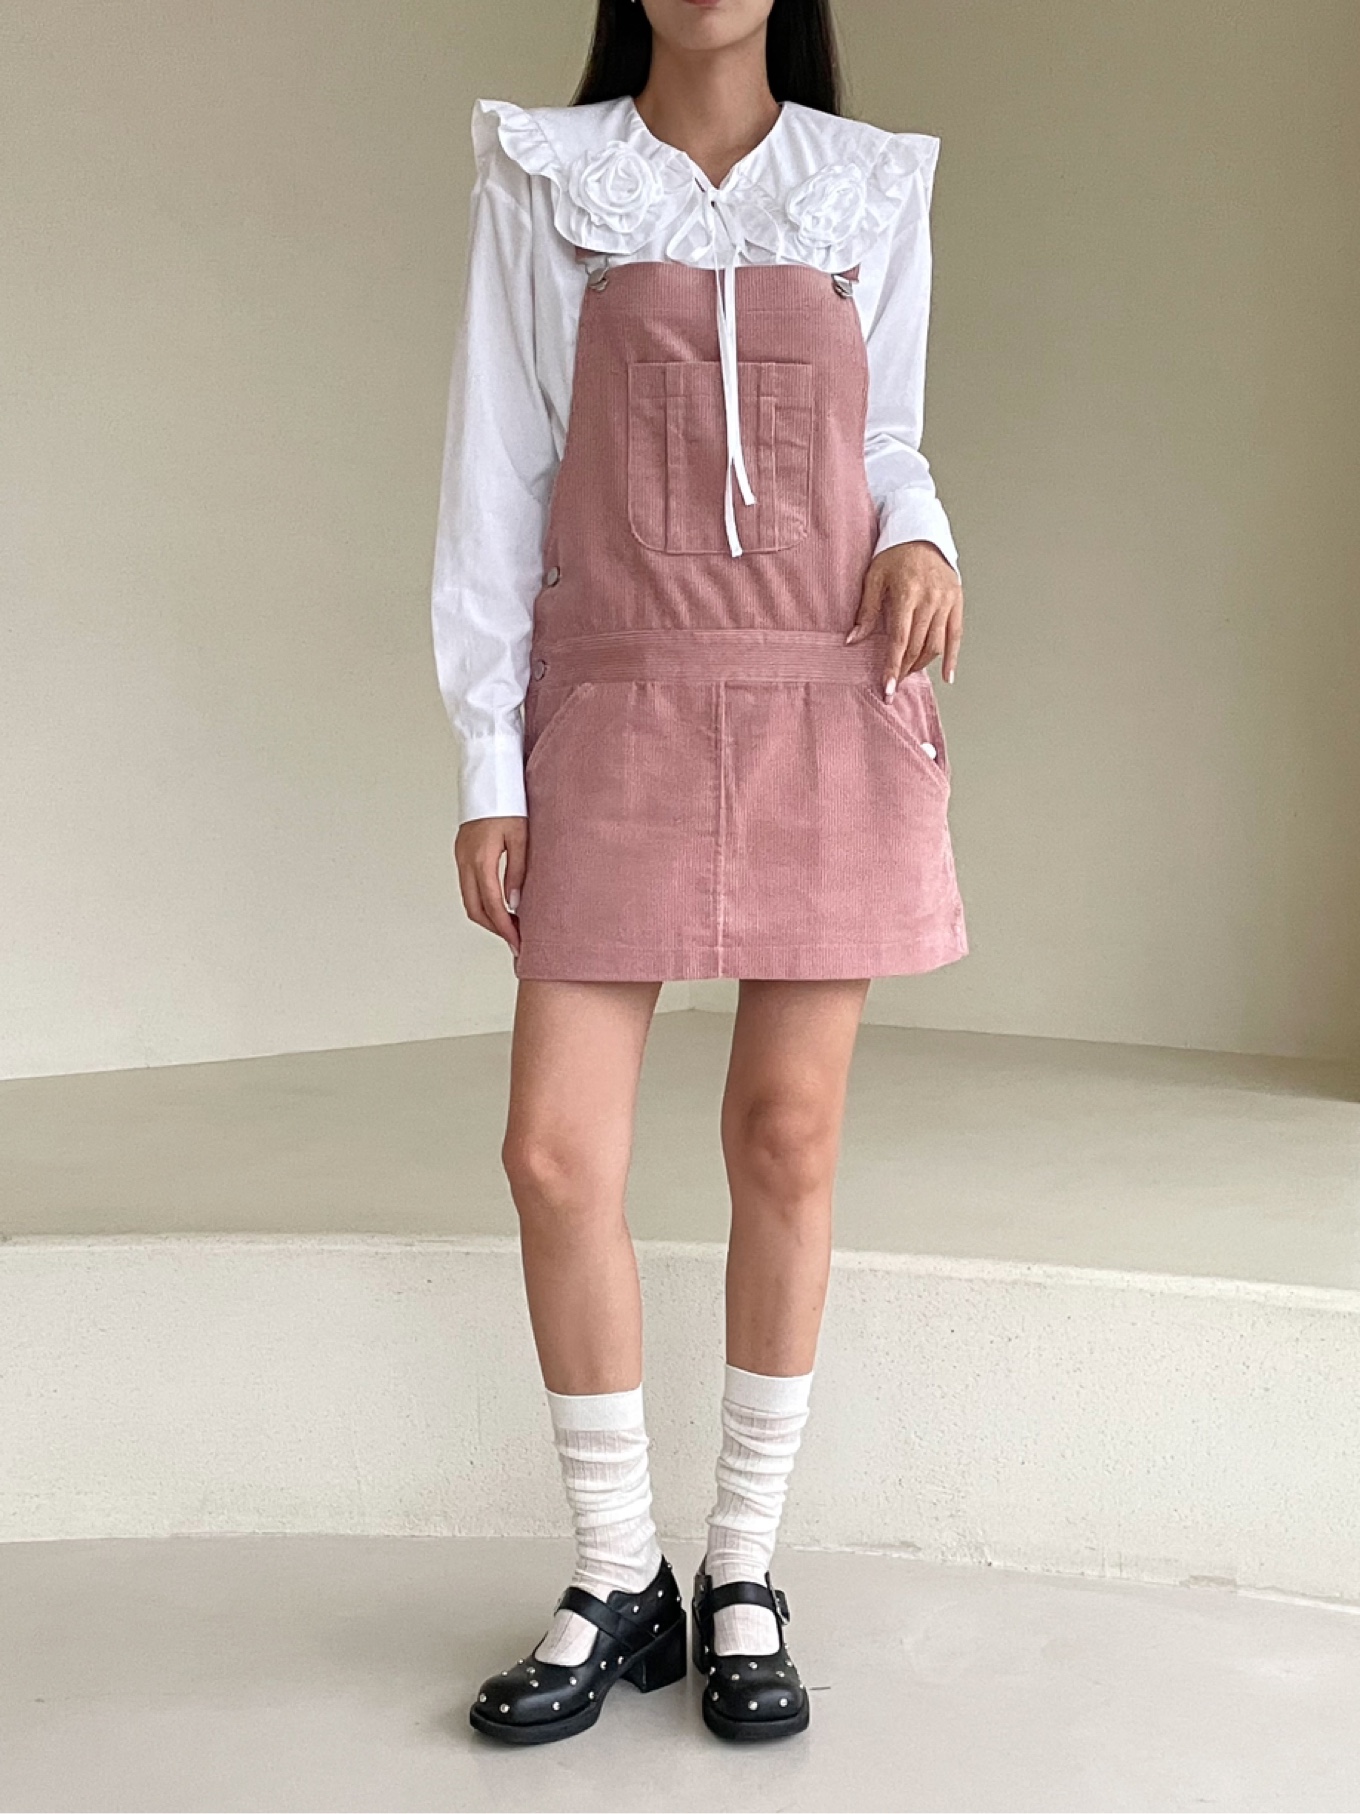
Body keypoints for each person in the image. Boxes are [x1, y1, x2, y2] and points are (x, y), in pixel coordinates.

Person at [432, 0, 966, 1747]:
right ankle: (617, 1571)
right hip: (617, 700)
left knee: (787, 1134)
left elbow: (887, 436)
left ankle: (742, 1567)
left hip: (826, 694)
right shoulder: (548, 177)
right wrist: (489, 761)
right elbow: (501, 472)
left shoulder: (870, 185)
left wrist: (922, 537)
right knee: (553, 1150)